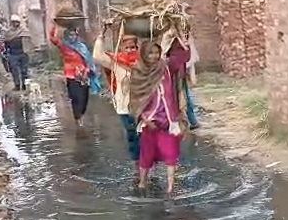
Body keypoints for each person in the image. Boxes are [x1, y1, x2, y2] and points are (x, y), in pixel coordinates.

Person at [129, 41, 188, 195]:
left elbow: (182, 57)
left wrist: (184, 42)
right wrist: (145, 119)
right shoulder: (139, 72)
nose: (154, 56)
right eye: (150, 53)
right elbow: (136, 98)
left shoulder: (166, 67)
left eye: (156, 52)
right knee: (146, 154)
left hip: (169, 118)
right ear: (144, 54)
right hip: (150, 120)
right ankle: (142, 182)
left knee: (171, 152)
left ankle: (170, 187)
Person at [93, 27, 141, 164]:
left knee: (145, 135)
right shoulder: (116, 63)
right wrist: (101, 36)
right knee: (132, 134)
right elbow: (97, 57)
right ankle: (137, 163)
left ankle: (147, 163)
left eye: (133, 47)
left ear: (137, 48)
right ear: (122, 48)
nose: (130, 50)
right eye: (127, 48)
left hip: (143, 106)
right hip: (124, 106)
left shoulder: (143, 62)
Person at [49, 24, 100, 126]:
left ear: (76, 36)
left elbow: (89, 61)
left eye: (73, 35)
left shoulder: (82, 47)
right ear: (67, 36)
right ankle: (78, 118)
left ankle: (80, 114)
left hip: (83, 75)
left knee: (84, 98)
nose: (72, 37)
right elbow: (52, 38)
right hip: (71, 75)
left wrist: (87, 71)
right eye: (70, 35)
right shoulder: (64, 46)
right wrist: (55, 26)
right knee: (75, 97)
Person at [162, 29, 200, 129]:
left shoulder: (183, 38)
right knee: (170, 97)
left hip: (178, 73)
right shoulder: (168, 36)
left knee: (183, 96)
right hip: (168, 72)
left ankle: (191, 121)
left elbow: (186, 55)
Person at [3, 14, 31, 91]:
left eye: (17, 22)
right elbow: (5, 42)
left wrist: (28, 50)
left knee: (24, 70)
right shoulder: (8, 33)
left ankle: (25, 85)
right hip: (13, 54)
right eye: (14, 22)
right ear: (11, 23)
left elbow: (29, 41)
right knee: (14, 71)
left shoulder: (24, 31)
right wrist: (5, 52)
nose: (15, 24)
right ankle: (17, 85)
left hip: (23, 53)